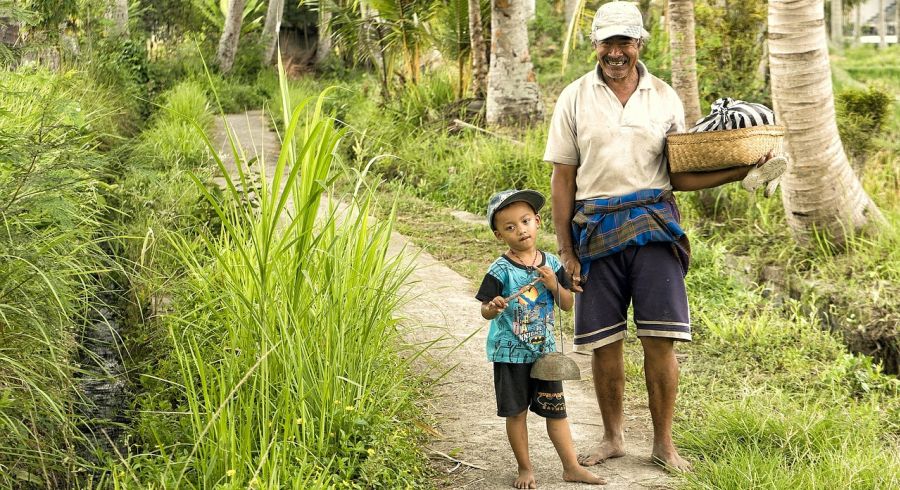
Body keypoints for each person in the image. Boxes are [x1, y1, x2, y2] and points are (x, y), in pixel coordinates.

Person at [543, 2, 783, 473]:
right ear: (595, 44)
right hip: (594, 231)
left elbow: (680, 175)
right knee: (604, 342)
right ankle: (613, 438)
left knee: (660, 340)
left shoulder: (665, 96)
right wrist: (565, 251)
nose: (616, 53)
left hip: (655, 228)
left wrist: (739, 172)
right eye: (608, 42)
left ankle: (663, 444)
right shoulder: (574, 97)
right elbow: (562, 178)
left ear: (639, 44)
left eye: (625, 42)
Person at [476, 189, 606, 489]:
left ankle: (571, 467)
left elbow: (567, 304)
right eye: (510, 227)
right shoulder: (499, 270)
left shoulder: (551, 265)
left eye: (525, 221)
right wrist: (492, 307)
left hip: (544, 354)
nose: (520, 230)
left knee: (556, 411)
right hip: (510, 355)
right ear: (499, 235)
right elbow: (485, 311)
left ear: (537, 221)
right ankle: (525, 468)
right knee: (517, 412)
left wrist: (552, 284)